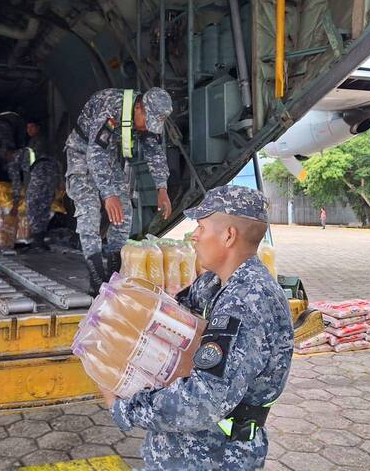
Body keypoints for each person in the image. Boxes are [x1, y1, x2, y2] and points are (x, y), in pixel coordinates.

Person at [99, 185, 293, 470]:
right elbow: (170, 317)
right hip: (184, 454)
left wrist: (124, 407)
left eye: (201, 227)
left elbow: (203, 401)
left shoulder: (248, 302)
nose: (194, 236)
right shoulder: (214, 283)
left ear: (229, 236)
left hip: (213, 459)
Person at [65, 87, 173, 294]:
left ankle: (114, 271)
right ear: (139, 108)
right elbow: (94, 153)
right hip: (82, 152)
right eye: (147, 122)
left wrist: (162, 187)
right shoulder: (111, 106)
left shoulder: (147, 119)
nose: (147, 128)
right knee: (89, 210)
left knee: (123, 211)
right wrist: (108, 194)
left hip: (109, 156)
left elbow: (155, 152)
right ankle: (96, 277)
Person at [9, 119, 60, 252]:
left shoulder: (28, 149)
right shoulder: (46, 143)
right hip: (51, 176)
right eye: (27, 128)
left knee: (33, 205)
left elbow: (19, 177)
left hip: (40, 176)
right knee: (44, 206)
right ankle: (40, 240)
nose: (29, 130)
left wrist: (16, 200)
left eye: (32, 127)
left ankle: (37, 241)